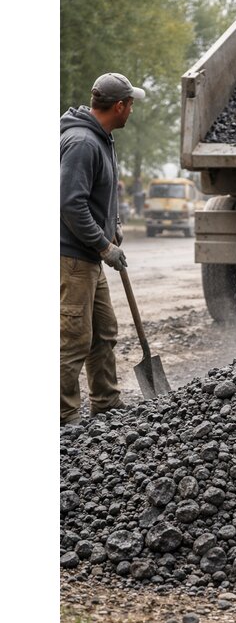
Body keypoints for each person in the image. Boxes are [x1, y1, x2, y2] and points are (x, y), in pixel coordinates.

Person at [60, 72, 146, 426]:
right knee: (73, 340)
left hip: (89, 257)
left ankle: (106, 405)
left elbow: (99, 194)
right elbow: (70, 203)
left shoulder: (102, 138)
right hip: (74, 258)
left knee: (104, 331)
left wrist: (115, 224)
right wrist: (103, 244)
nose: (132, 111)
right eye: (131, 105)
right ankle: (62, 419)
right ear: (120, 106)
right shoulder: (83, 142)